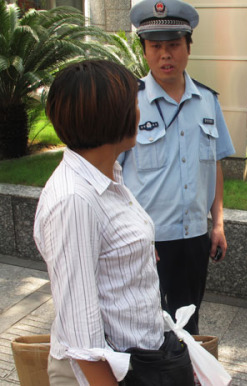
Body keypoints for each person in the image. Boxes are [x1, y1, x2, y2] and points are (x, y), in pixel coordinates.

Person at [34, 60, 165, 384]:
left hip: (138, 359)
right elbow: (82, 339)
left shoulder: (108, 175)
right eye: (134, 105)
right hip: (102, 374)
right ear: (112, 117)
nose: (139, 113)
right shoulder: (74, 201)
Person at [122, 0, 235, 335]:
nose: (165, 55)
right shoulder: (129, 102)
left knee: (188, 323)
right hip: (147, 240)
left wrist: (218, 224)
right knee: (144, 325)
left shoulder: (208, 101)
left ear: (188, 46)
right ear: (144, 51)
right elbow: (112, 176)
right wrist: (131, 236)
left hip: (194, 238)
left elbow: (213, 166)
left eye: (173, 45)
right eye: (156, 46)